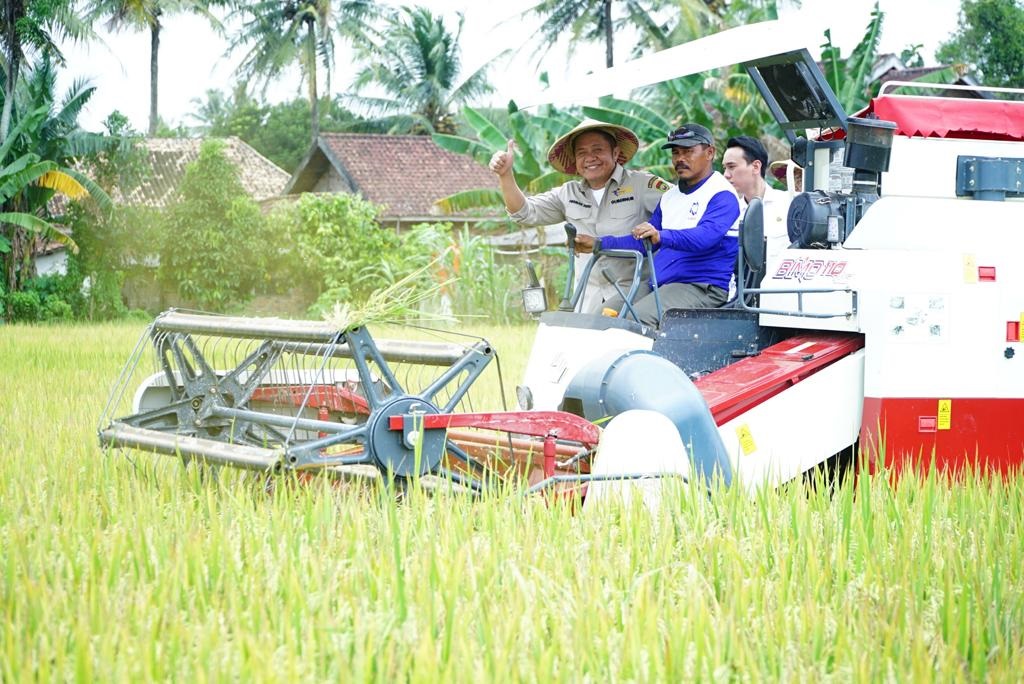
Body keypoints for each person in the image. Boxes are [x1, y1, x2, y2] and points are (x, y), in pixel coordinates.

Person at [489, 119, 670, 313]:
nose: (590, 158)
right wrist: (505, 175)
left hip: (635, 298)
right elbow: (523, 213)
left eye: (597, 150)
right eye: (582, 153)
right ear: (575, 160)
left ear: (615, 153)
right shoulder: (568, 194)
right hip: (586, 299)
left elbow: (684, 212)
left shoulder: (643, 185)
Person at [574, 123, 741, 326]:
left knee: (635, 320)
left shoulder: (722, 194)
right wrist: (599, 244)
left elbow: (706, 237)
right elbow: (644, 243)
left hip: (701, 286)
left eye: (688, 151)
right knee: (600, 316)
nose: (680, 159)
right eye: (676, 152)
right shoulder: (670, 197)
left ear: (710, 152)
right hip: (659, 283)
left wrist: (661, 236)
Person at [722, 136, 793, 260]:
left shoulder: (789, 204)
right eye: (725, 168)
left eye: (731, 167)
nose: (726, 175)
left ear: (755, 167)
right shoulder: (729, 214)